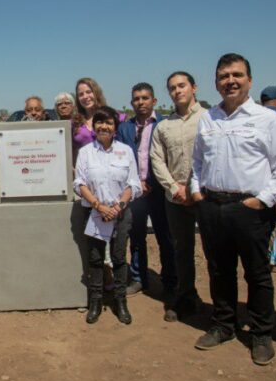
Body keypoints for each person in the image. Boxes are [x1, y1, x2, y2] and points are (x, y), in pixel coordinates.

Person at [190, 54, 276, 366]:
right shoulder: (209, 118)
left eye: (236, 75)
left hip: (249, 208)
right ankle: (224, 325)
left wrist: (262, 200)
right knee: (219, 270)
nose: (230, 81)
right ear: (216, 82)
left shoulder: (267, 119)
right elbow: (198, 161)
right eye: (224, 76)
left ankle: (262, 332)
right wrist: (197, 192)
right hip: (212, 206)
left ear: (250, 80)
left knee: (257, 273)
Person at [74, 107, 142, 325]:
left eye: (109, 123)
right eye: (99, 122)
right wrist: (98, 206)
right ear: (94, 127)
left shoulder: (125, 151)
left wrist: (119, 205)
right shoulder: (85, 152)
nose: (104, 126)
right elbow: (80, 183)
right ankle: (95, 301)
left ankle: (120, 301)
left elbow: (133, 183)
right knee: (95, 258)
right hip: (94, 212)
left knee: (120, 258)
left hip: (120, 213)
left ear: (115, 127)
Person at [150, 71, 208, 323]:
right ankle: (186, 297)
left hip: (206, 197)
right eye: (172, 88)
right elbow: (157, 159)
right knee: (181, 250)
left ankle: (222, 308)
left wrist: (194, 187)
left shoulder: (210, 119)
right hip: (175, 198)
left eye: (181, 86)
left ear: (194, 87)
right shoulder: (163, 126)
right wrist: (174, 187)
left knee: (216, 252)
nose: (177, 91)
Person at [116, 82, 176, 298]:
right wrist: (136, 184)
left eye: (145, 98)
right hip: (134, 192)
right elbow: (120, 158)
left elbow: (169, 159)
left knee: (165, 237)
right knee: (137, 238)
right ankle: (139, 278)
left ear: (154, 101)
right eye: (136, 99)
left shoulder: (166, 124)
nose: (140, 102)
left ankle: (170, 281)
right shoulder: (124, 128)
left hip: (159, 191)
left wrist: (150, 181)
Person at [72, 78, 110, 152]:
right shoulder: (74, 123)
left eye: (88, 92)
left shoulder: (112, 117)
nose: (85, 97)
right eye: (81, 94)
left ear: (96, 93)